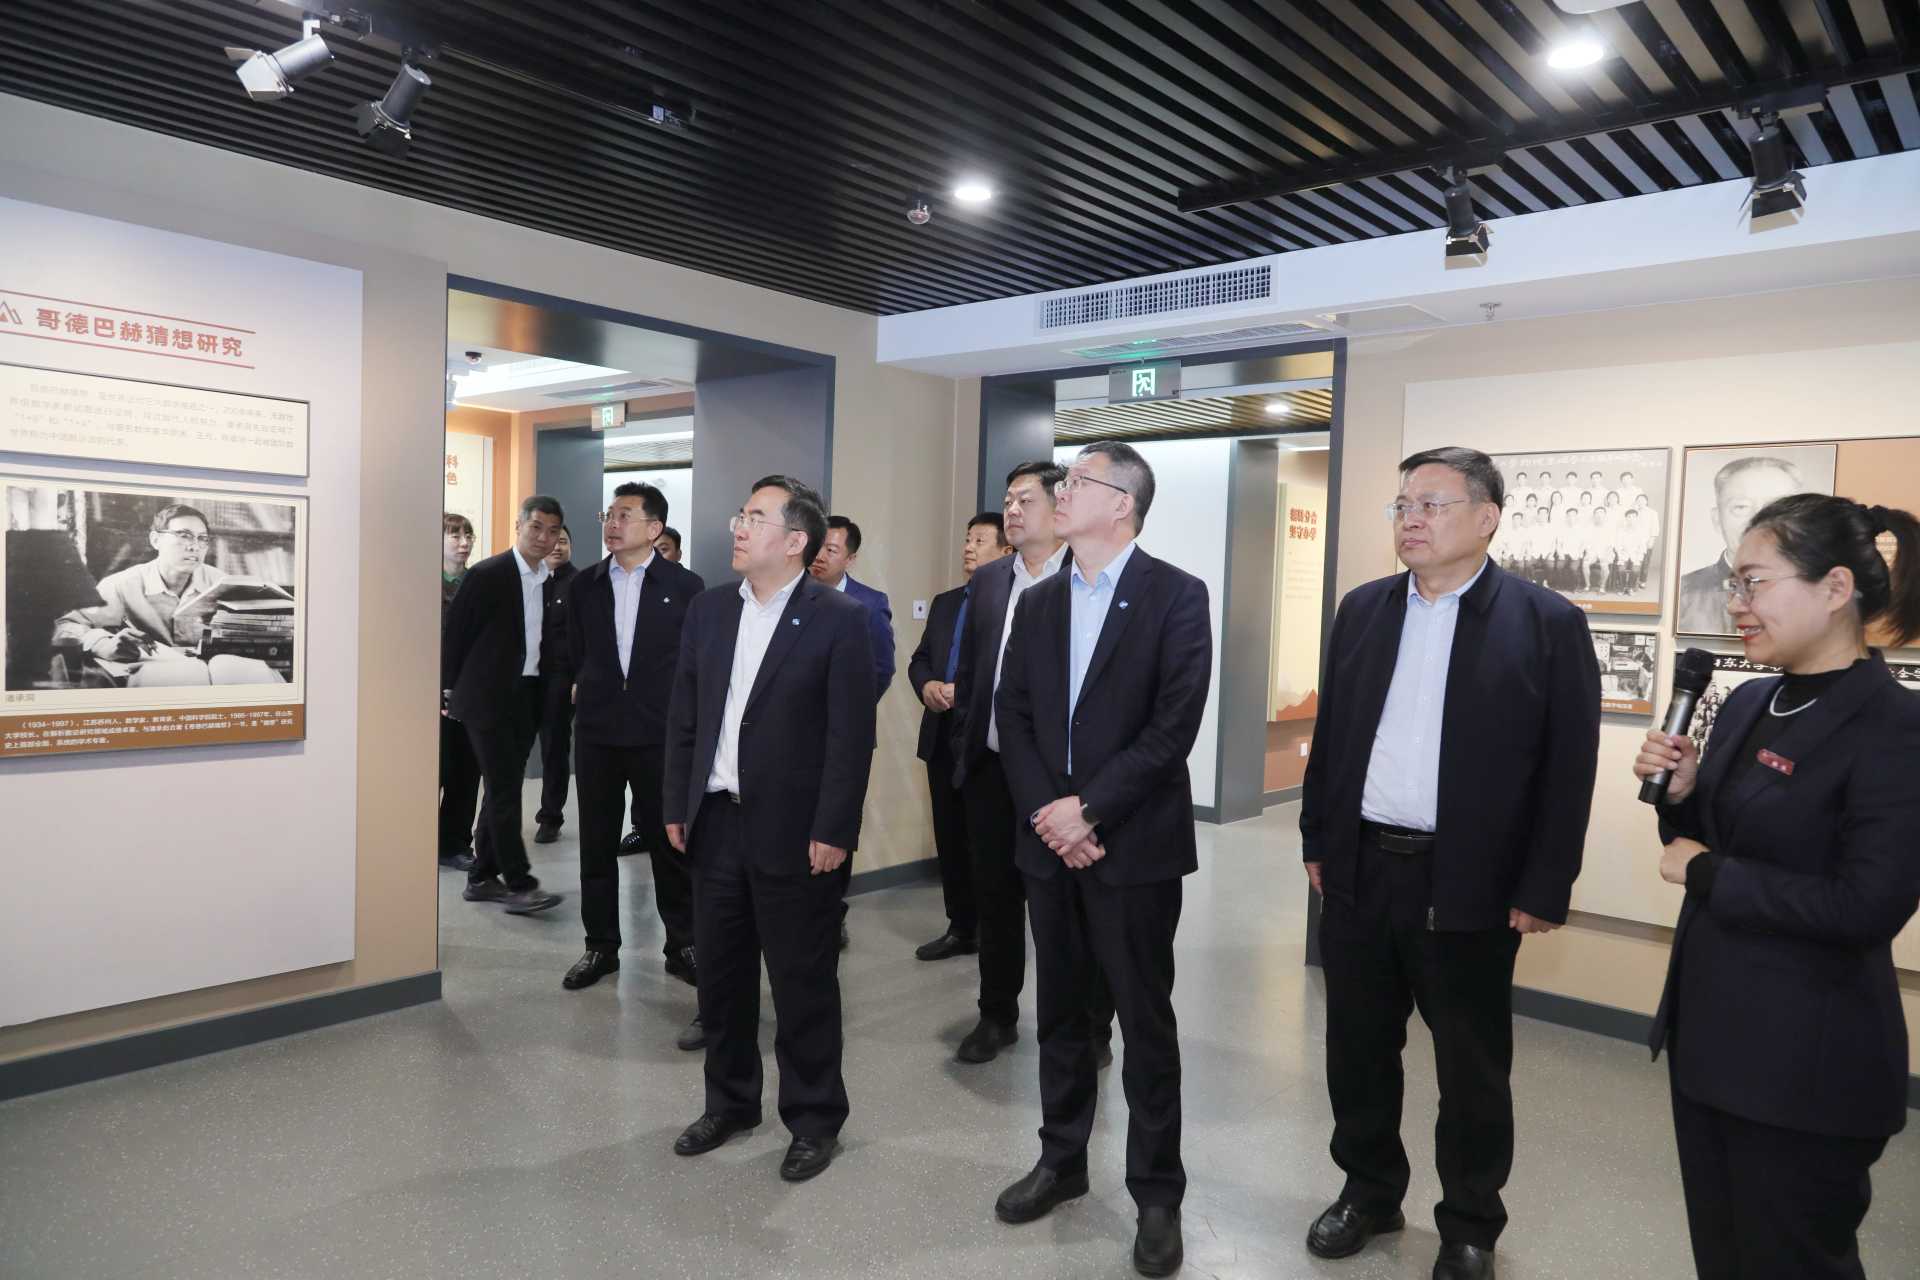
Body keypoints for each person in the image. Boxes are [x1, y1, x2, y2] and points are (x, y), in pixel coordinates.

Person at [1299, 447, 1600, 1280]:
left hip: (1470, 880)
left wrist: (1545, 884)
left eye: (1430, 504)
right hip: (1361, 867)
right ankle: (1368, 1191)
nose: (1411, 519)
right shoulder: (1364, 609)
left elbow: (1568, 769)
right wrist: (1319, 840)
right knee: (1357, 1047)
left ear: (1486, 518)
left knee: (1471, 1067)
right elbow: (1334, 736)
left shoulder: (1544, 622)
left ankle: (1470, 1223)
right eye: (1402, 505)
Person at [1634, 494, 1920, 1280]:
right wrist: (1684, 795)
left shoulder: (1895, 727)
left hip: (1805, 1067)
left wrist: (1708, 872)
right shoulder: (1752, 699)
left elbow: (1866, 907)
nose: (1736, 603)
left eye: (1754, 582)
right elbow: (1710, 840)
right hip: (1711, 1042)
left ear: (1835, 588)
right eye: (1734, 583)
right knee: (1723, 1254)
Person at [991, 441, 1212, 1280]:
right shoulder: (1041, 601)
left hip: (1133, 847)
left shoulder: (1176, 595)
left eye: (1076, 480)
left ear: (1122, 502)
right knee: (1060, 1014)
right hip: (1051, 848)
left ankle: (1156, 1194)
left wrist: (1089, 809)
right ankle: (1062, 1159)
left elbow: (1173, 724)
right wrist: (1052, 816)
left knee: (1144, 1024)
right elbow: (1014, 714)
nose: (1060, 489)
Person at [663, 475, 876, 1184]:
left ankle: (814, 1120)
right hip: (716, 821)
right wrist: (677, 804)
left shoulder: (839, 619)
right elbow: (686, 715)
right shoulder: (709, 610)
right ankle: (729, 1104)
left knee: (801, 981)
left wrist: (835, 828)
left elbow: (851, 736)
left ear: (794, 541)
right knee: (721, 979)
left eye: (755, 517)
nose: (738, 526)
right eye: (741, 514)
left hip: (797, 829)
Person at [950, 461, 1114, 1068]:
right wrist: (965, 745)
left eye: (1025, 500)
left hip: (1065, 785)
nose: (1012, 511)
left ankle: (1092, 1026)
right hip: (995, 771)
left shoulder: (1088, 577)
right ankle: (996, 1014)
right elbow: (974, 673)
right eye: (1008, 500)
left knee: (1077, 906)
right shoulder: (992, 580)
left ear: (1058, 505)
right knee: (995, 900)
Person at [561, 484, 706, 1020]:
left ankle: (682, 943)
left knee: (669, 843)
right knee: (596, 842)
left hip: (658, 734)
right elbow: (575, 654)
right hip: (597, 732)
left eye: (626, 515)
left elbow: (694, 663)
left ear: (654, 528)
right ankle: (600, 945)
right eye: (609, 514)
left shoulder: (686, 587)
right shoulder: (585, 585)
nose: (613, 523)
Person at [442, 495, 567, 917]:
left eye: (553, 530)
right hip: (485, 697)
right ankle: (519, 882)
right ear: (519, 526)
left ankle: (481, 877)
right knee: (505, 790)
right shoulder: (487, 574)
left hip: (526, 696)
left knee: (502, 789)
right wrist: (447, 690)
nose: (544, 537)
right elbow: (456, 636)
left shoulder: (548, 580)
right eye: (536, 527)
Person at [906, 511, 1011, 962]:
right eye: (967, 538)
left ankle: (995, 931)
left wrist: (963, 691)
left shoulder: (1016, 602)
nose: (968, 546)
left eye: (980, 540)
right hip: (942, 731)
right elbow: (920, 658)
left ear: (1006, 550)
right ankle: (961, 927)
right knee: (949, 835)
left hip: (985, 737)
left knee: (986, 840)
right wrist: (927, 685)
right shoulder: (946, 602)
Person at [52, 503, 285, 688]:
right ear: (156, 540)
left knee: (244, 671)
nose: (195, 546)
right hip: (158, 676)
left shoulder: (222, 583)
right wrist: (103, 644)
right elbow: (66, 626)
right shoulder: (123, 584)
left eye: (202, 539)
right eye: (184, 535)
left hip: (219, 674)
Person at [810, 514, 895, 949]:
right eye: (818, 546)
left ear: (851, 557)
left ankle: (832, 912)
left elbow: (881, 669)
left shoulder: (869, 604)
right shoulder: (793, 594)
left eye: (832, 550)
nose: (820, 557)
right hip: (790, 740)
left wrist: (845, 714)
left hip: (844, 738)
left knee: (837, 826)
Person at [1677, 456, 1802, 635]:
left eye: (1776, 507)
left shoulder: (1820, 595)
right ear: (1717, 520)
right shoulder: (1682, 593)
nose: (1758, 521)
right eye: (1741, 507)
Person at [438, 513, 480, 872]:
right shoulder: (421, 581)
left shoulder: (479, 582)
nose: (464, 543)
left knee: (466, 772)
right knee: (431, 770)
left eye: (468, 536)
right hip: (429, 691)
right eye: (455, 535)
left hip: (470, 691)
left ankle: (454, 843)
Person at [534, 526, 579, 845]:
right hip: (527, 678)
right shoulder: (530, 580)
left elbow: (587, 636)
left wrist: (579, 678)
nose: (557, 547)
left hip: (560, 679)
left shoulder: (580, 584)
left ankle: (550, 816)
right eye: (552, 542)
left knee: (554, 748)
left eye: (563, 541)